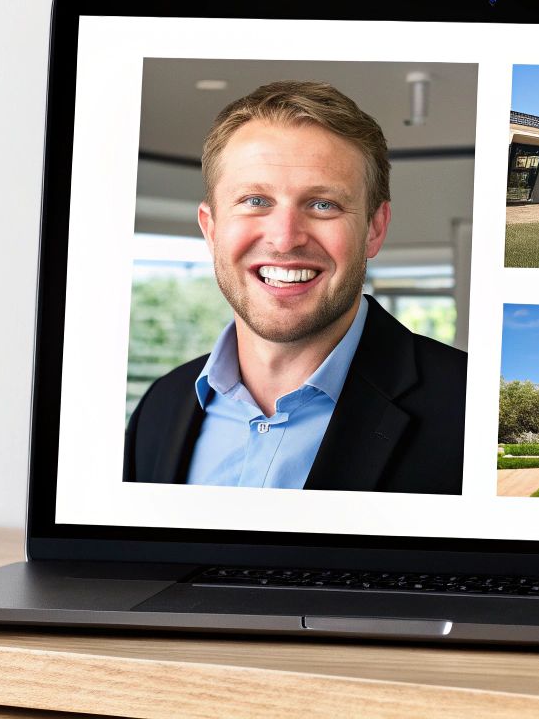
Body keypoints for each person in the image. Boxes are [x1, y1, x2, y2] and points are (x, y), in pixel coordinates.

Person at [124, 80, 466, 494]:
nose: (285, 239)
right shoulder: (159, 408)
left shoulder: (472, 411)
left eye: (323, 204)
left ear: (375, 229)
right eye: (255, 201)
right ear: (211, 228)